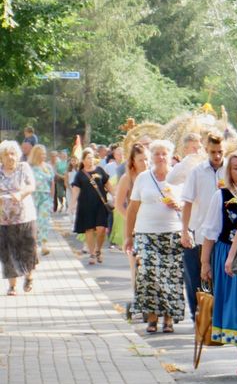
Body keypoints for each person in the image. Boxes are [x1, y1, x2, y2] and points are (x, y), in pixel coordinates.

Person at [200, 149, 237, 374]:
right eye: (236, 168)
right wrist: (205, 263)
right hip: (230, 255)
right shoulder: (223, 196)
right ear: (230, 172)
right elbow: (210, 232)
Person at [125, 140, 185, 334]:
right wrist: (128, 236)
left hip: (172, 233)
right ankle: (152, 317)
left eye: (164, 153)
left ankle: (168, 318)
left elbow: (190, 205)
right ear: (152, 157)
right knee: (148, 274)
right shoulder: (143, 178)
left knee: (171, 276)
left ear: (170, 156)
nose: (161, 157)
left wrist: (179, 205)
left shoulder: (180, 178)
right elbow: (133, 208)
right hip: (146, 233)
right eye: (157, 154)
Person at [180, 132, 225, 323]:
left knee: (219, 278)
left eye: (220, 152)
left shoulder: (230, 169)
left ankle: (217, 318)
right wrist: (184, 231)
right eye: (213, 152)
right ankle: (198, 316)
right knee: (196, 279)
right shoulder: (197, 172)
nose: (217, 156)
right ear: (206, 150)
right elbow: (188, 202)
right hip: (200, 233)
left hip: (223, 234)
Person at [116, 144, 150, 320]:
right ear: (133, 162)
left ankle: (152, 302)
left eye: (146, 159)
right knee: (136, 265)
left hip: (151, 227)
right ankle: (139, 300)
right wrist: (131, 220)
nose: (145, 163)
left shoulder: (152, 176)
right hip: (135, 228)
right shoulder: (127, 178)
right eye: (140, 160)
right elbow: (119, 204)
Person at [0, 140, 37, 295]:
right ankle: (12, 285)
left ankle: (29, 276)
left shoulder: (24, 167)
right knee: (7, 251)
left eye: (13, 154)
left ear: (17, 155)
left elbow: (31, 186)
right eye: (6, 155)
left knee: (27, 249)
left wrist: (21, 194)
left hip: (25, 217)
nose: (10, 157)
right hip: (4, 219)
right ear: (1, 158)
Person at [71, 148, 112, 265]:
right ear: (83, 160)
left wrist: (115, 195)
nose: (91, 159)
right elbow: (75, 190)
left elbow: (108, 184)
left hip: (100, 204)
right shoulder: (80, 174)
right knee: (89, 229)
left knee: (101, 229)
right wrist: (72, 204)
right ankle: (92, 253)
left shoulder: (100, 170)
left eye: (92, 157)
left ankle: (98, 249)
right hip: (86, 206)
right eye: (88, 157)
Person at [27, 145, 54, 257]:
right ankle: (33, 244)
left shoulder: (48, 167)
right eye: (41, 154)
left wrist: (52, 198)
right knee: (34, 221)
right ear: (36, 155)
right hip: (33, 197)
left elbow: (52, 183)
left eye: (44, 154)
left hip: (45, 196)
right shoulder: (29, 167)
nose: (43, 156)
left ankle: (44, 244)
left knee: (44, 220)